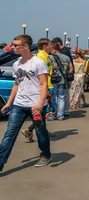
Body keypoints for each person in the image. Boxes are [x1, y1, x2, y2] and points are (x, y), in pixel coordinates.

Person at [0, 35, 52, 173]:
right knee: (10, 133)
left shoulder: (38, 62)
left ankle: (45, 154)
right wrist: (9, 103)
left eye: (16, 45)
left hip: (35, 105)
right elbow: (17, 84)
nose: (13, 48)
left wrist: (41, 103)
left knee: (41, 132)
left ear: (26, 47)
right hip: (19, 104)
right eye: (13, 45)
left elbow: (44, 83)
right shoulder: (16, 64)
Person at [49, 43, 73, 121]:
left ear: (54, 49)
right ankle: (60, 115)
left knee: (53, 97)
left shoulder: (50, 57)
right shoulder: (66, 57)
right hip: (63, 79)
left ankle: (53, 114)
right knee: (61, 97)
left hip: (53, 79)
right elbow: (71, 69)